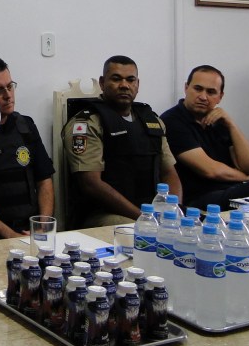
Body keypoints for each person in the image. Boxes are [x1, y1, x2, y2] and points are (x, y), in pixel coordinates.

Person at [62, 55, 181, 227]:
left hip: (149, 211)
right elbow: (91, 184)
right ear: (102, 82)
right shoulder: (87, 123)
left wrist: (173, 210)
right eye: (116, 79)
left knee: (192, 225)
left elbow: (169, 172)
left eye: (130, 80)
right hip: (103, 213)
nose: (124, 85)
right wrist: (144, 217)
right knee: (140, 232)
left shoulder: (152, 121)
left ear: (137, 84)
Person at [161, 65, 249, 209]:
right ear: (186, 88)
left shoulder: (219, 121)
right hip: (198, 199)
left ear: (220, 97)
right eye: (198, 89)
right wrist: (244, 177)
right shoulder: (172, 121)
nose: (203, 97)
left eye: (211, 92)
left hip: (230, 192)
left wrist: (231, 125)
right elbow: (210, 170)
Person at [0, 55, 55, 239]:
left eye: (10, 86)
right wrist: (11, 236)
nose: (8, 96)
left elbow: (44, 180)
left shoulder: (25, 126)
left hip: (31, 231)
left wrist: (42, 227)